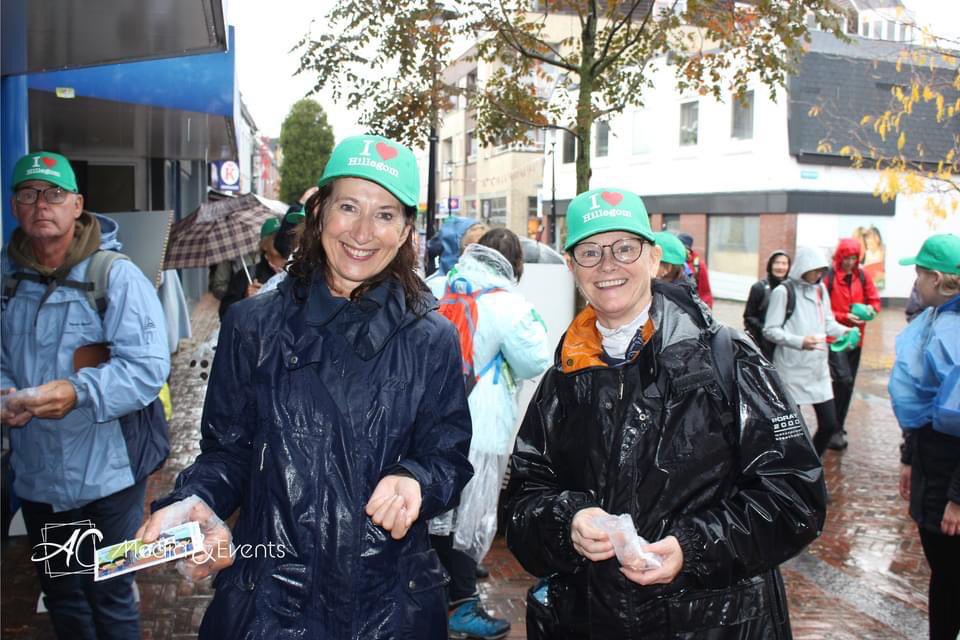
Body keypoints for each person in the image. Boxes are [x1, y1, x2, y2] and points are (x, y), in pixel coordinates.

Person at [136, 135, 473, 639]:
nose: (362, 232)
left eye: (385, 215)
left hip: (387, 608)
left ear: (406, 230)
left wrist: (417, 480)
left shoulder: (433, 338)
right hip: (269, 601)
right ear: (319, 213)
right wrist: (196, 498)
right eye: (348, 207)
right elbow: (228, 451)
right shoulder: (252, 324)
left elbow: (447, 455)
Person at [505, 188, 827, 638]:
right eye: (590, 251)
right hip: (591, 621)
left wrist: (693, 547)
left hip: (712, 626)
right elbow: (523, 499)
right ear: (572, 266)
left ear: (654, 259)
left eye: (625, 247)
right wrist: (567, 521)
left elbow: (795, 497)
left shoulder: (727, 358)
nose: (608, 265)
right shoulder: (566, 371)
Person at [1, 151, 170, 639]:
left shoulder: (114, 275)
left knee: (111, 591)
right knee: (63, 593)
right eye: (29, 194)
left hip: (110, 478)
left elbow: (146, 369)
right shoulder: (6, 282)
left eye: (54, 194)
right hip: (42, 480)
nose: (41, 205)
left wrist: (77, 393)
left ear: (78, 204)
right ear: (15, 206)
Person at [427, 228, 552, 640]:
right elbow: (535, 360)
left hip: (424, 424)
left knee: (431, 513)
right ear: (515, 264)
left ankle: (431, 594)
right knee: (470, 520)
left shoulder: (436, 285)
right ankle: (462, 604)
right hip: (479, 429)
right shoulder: (509, 305)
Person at [890, 233, 960, 640]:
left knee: (950, 578)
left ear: (936, 277)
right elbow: (923, 401)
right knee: (943, 575)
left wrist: (956, 498)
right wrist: (908, 458)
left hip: (949, 483)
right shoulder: (936, 318)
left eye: (918, 275)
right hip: (932, 470)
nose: (914, 283)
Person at [763, 246, 856, 456]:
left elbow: (828, 323)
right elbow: (770, 330)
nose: (819, 274)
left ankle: (811, 461)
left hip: (817, 370)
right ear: (803, 268)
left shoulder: (820, 290)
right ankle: (791, 468)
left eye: (822, 270)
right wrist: (799, 341)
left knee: (830, 424)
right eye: (815, 269)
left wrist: (846, 331)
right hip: (791, 369)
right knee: (791, 428)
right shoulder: (783, 292)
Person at [823, 238, 881, 450]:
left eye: (853, 258)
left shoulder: (863, 276)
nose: (849, 262)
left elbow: (875, 301)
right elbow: (823, 311)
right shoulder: (828, 277)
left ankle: (837, 426)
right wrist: (845, 316)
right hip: (835, 338)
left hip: (855, 339)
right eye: (846, 258)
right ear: (839, 257)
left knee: (847, 384)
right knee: (843, 380)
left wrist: (869, 312)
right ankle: (831, 426)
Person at [217, 217, 287, 319]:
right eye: (275, 237)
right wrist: (245, 300)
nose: (281, 241)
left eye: (285, 236)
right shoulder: (246, 275)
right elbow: (224, 314)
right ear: (264, 245)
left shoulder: (295, 273)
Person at [743, 250, 791, 360]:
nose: (780, 267)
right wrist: (766, 329)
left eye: (784, 263)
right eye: (777, 263)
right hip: (762, 344)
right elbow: (748, 316)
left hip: (785, 343)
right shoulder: (759, 288)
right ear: (770, 265)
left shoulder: (791, 290)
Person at [676, 231, 714, 307]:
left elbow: (705, 292)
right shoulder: (674, 262)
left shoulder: (699, 265)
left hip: (692, 307)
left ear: (688, 249)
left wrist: (705, 312)